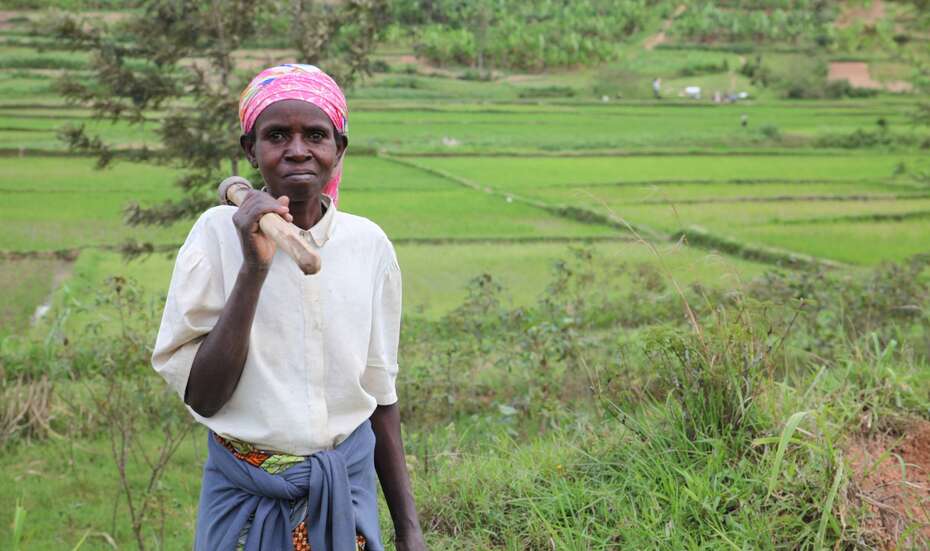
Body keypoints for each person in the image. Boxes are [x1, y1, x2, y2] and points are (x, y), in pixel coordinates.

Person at [152, 64, 426, 551]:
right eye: (277, 135)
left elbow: (379, 390)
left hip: (346, 490)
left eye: (315, 135)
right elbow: (205, 397)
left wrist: (409, 529)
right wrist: (253, 268)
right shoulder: (216, 235)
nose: (298, 149)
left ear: (338, 150)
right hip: (245, 500)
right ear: (250, 150)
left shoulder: (369, 245)